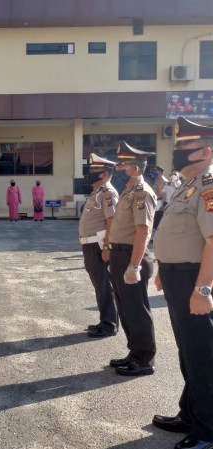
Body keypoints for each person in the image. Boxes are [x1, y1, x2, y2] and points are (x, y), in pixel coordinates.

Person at [152, 117, 213, 449]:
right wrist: (164, 268)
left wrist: (202, 290)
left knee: (202, 355)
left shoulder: (208, 186)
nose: (177, 154)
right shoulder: (186, 186)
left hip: (194, 279)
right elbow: (176, 235)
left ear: (204, 151)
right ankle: (189, 414)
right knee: (188, 351)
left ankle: (207, 431)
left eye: (183, 148)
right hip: (177, 276)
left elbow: (212, 242)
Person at [103, 141, 157, 376]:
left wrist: (134, 265)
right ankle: (134, 353)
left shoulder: (142, 192)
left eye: (123, 165)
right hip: (120, 254)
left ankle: (144, 359)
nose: (119, 169)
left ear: (135, 168)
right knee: (126, 309)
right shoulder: (129, 190)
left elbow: (143, 231)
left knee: (136, 309)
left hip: (130, 256)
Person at [79, 154, 119, 338]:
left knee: (104, 285)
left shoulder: (108, 193)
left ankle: (109, 325)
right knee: (99, 285)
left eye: (93, 171)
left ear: (104, 174)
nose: (89, 174)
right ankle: (105, 320)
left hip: (99, 245)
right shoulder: (97, 192)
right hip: (90, 245)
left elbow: (111, 221)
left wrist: (107, 248)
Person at [151, 165, 168, 231]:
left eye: (156, 171)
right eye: (153, 171)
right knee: (155, 219)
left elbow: (164, 194)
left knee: (158, 219)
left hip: (160, 202)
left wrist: (163, 205)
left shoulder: (163, 181)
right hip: (155, 201)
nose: (154, 173)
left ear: (160, 173)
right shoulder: (156, 179)